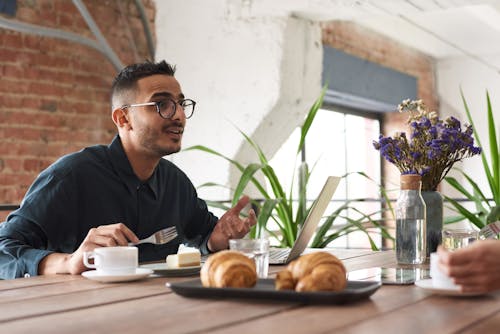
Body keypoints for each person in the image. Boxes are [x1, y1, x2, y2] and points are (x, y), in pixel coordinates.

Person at [0, 60, 256, 279]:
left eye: (180, 104)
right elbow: (4, 249)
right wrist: (68, 262)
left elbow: (205, 234)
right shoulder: (71, 176)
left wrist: (217, 239)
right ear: (123, 119)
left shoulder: (175, 183)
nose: (178, 115)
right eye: (161, 105)